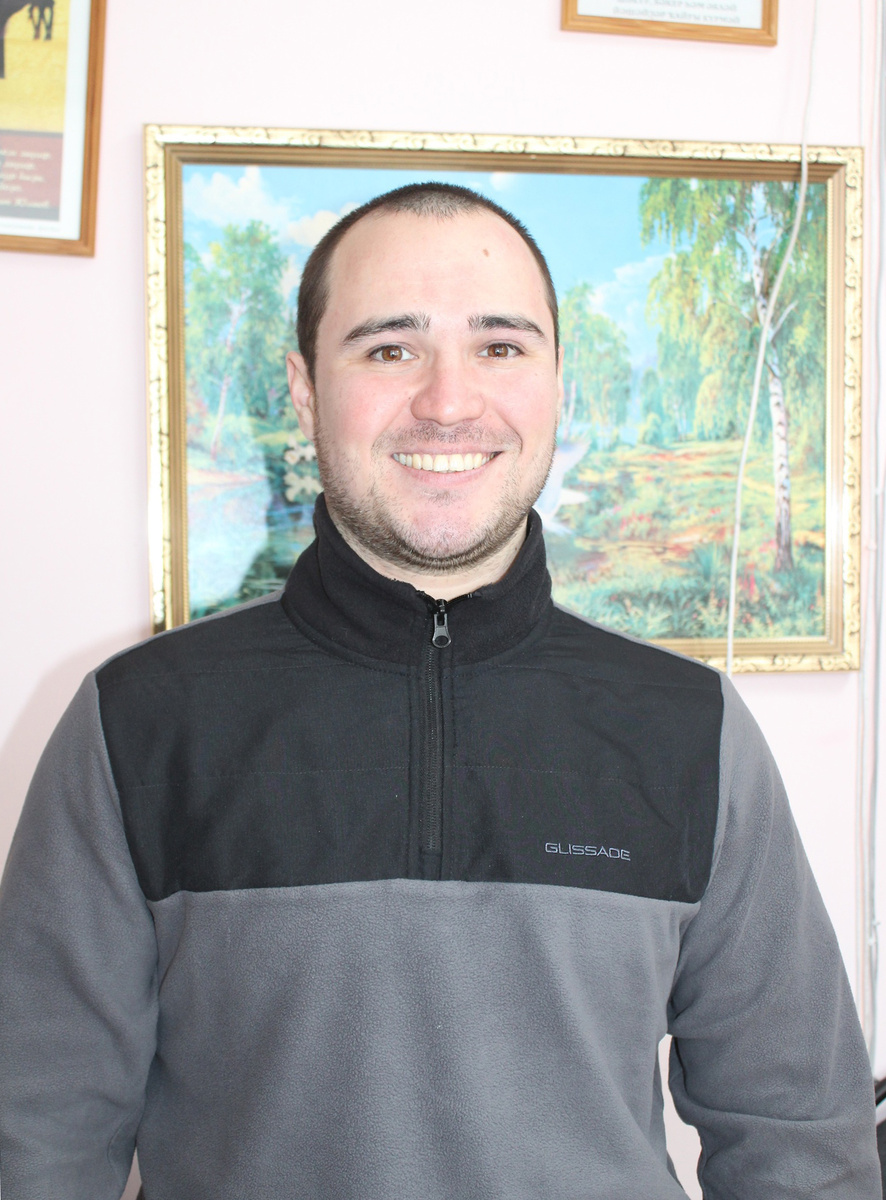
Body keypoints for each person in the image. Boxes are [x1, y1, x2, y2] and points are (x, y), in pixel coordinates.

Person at [0, 182, 879, 1200]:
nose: (449, 401)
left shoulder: (693, 731)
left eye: (499, 346)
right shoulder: (136, 722)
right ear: (303, 390)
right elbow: (35, 1139)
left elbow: (801, 1145)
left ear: (558, 384)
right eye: (389, 349)